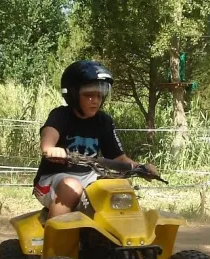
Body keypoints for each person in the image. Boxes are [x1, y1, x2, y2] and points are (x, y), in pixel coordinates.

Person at [33, 60, 157, 219]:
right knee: (73, 186)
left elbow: (119, 158)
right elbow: (47, 142)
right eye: (89, 95)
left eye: (99, 95)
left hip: (89, 176)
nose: (96, 100)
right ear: (73, 94)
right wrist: (51, 149)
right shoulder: (60, 116)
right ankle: (56, 241)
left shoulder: (104, 121)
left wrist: (141, 168)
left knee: (118, 188)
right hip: (53, 179)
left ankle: (122, 240)